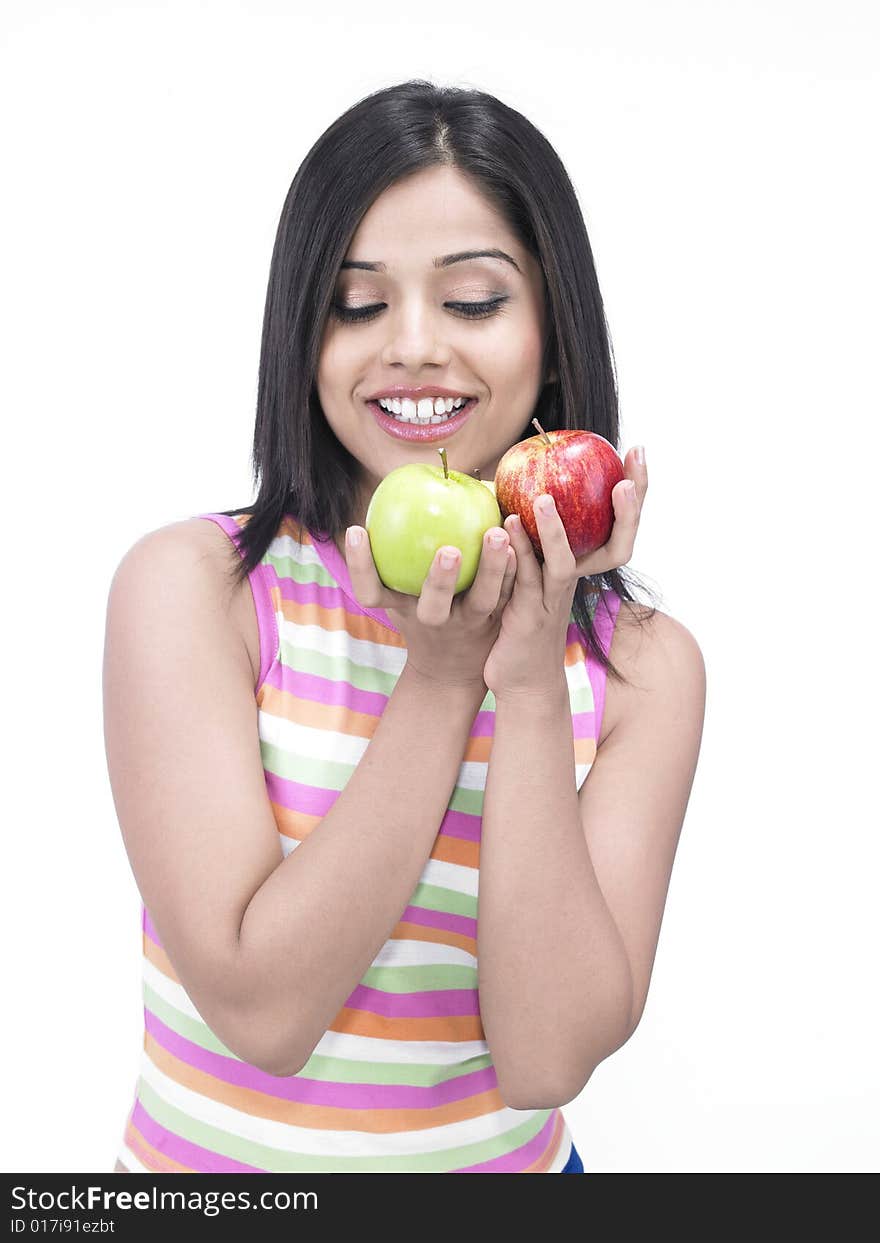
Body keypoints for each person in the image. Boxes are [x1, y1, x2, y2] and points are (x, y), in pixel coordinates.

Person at [103, 79, 706, 1175]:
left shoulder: (639, 669)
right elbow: (264, 1013)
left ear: (552, 333)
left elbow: (544, 1058)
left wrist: (523, 686)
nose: (415, 346)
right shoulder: (199, 591)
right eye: (357, 303)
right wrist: (437, 683)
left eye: (473, 302)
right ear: (303, 335)